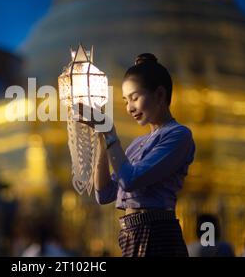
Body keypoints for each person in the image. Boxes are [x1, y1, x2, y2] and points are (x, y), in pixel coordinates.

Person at [76, 53, 195, 257]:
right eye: (125, 101)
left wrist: (111, 133)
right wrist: (101, 137)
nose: (129, 108)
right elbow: (103, 194)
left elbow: (130, 180)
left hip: (158, 234)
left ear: (159, 94)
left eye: (135, 98)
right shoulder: (137, 144)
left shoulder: (178, 135)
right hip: (131, 234)